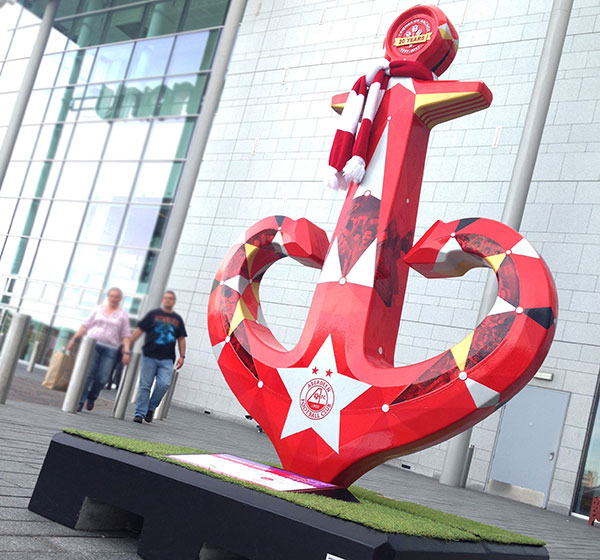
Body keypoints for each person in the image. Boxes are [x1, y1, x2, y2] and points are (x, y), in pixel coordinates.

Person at [67, 287, 131, 412]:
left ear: (120, 299)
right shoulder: (98, 309)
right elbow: (86, 325)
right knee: (88, 374)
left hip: (111, 348)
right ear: (108, 297)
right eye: (111, 296)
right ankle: (79, 402)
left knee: (103, 377)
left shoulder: (123, 315)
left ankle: (92, 397)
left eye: (116, 297)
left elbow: (125, 335)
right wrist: (73, 339)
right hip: (92, 344)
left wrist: (127, 351)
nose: (113, 298)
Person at [130, 290, 187, 424]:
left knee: (164, 384)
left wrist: (182, 356)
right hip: (149, 356)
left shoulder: (177, 319)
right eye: (166, 298)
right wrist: (128, 345)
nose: (168, 300)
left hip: (167, 359)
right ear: (163, 300)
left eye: (170, 299)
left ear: (173, 301)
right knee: (145, 386)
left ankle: (151, 408)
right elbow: (139, 330)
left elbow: (181, 338)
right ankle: (139, 413)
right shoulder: (153, 315)